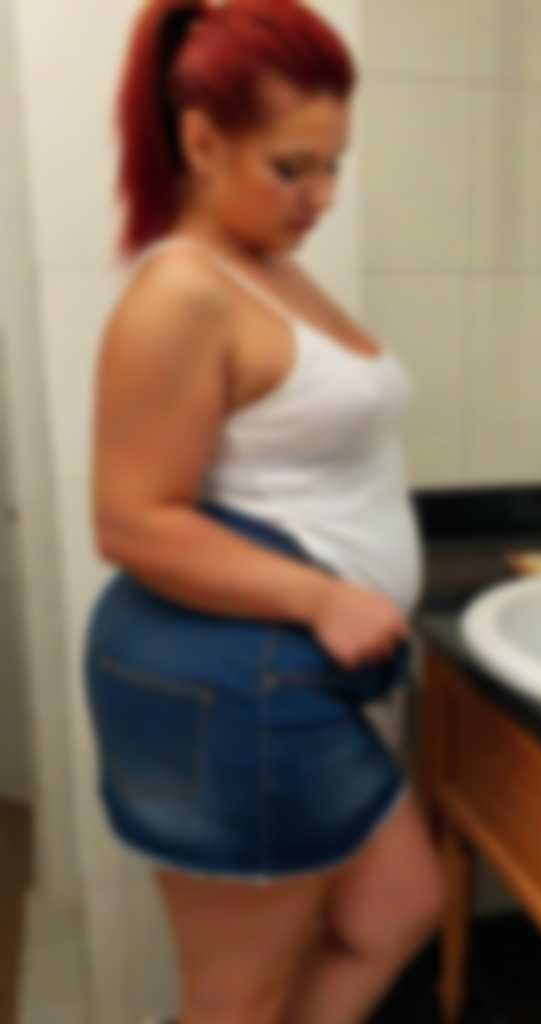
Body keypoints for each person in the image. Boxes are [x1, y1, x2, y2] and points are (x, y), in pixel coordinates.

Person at [82, 2, 444, 1022]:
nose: (321, 196)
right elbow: (130, 521)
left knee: (398, 906)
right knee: (238, 995)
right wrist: (324, 597)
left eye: (333, 165)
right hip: (234, 683)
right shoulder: (181, 293)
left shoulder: (269, 270)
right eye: (293, 168)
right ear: (201, 142)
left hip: (278, 677)